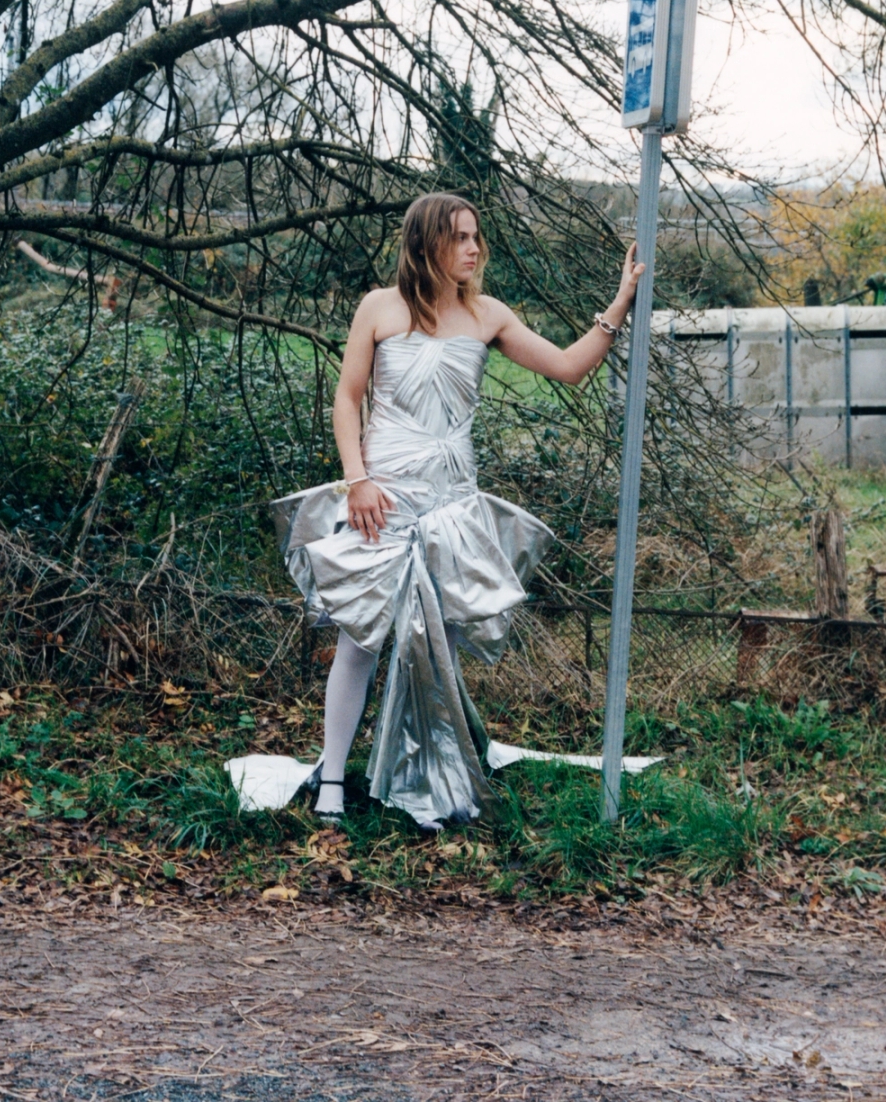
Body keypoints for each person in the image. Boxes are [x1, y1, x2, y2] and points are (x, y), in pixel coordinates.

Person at [266, 192, 643, 830]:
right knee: (359, 639)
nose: (473, 249)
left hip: (450, 504)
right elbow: (346, 397)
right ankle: (332, 778)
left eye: (476, 238)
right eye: (461, 237)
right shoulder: (379, 309)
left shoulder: (487, 315)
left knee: (434, 646)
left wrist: (621, 302)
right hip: (381, 502)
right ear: (427, 242)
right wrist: (355, 480)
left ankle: (433, 778)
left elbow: (570, 367)